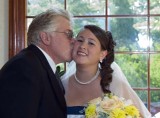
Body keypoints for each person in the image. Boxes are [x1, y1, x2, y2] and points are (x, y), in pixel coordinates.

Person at [61, 25, 152, 118]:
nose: (83, 46)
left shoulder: (113, 83)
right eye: (80, 40)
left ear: (102, 54)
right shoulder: (62, 84)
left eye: (91, 43)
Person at [0, 8, 74, 118]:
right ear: (45, 38)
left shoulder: (40, 66)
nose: (73, 40)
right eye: (68, 34)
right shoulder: (23, 68)